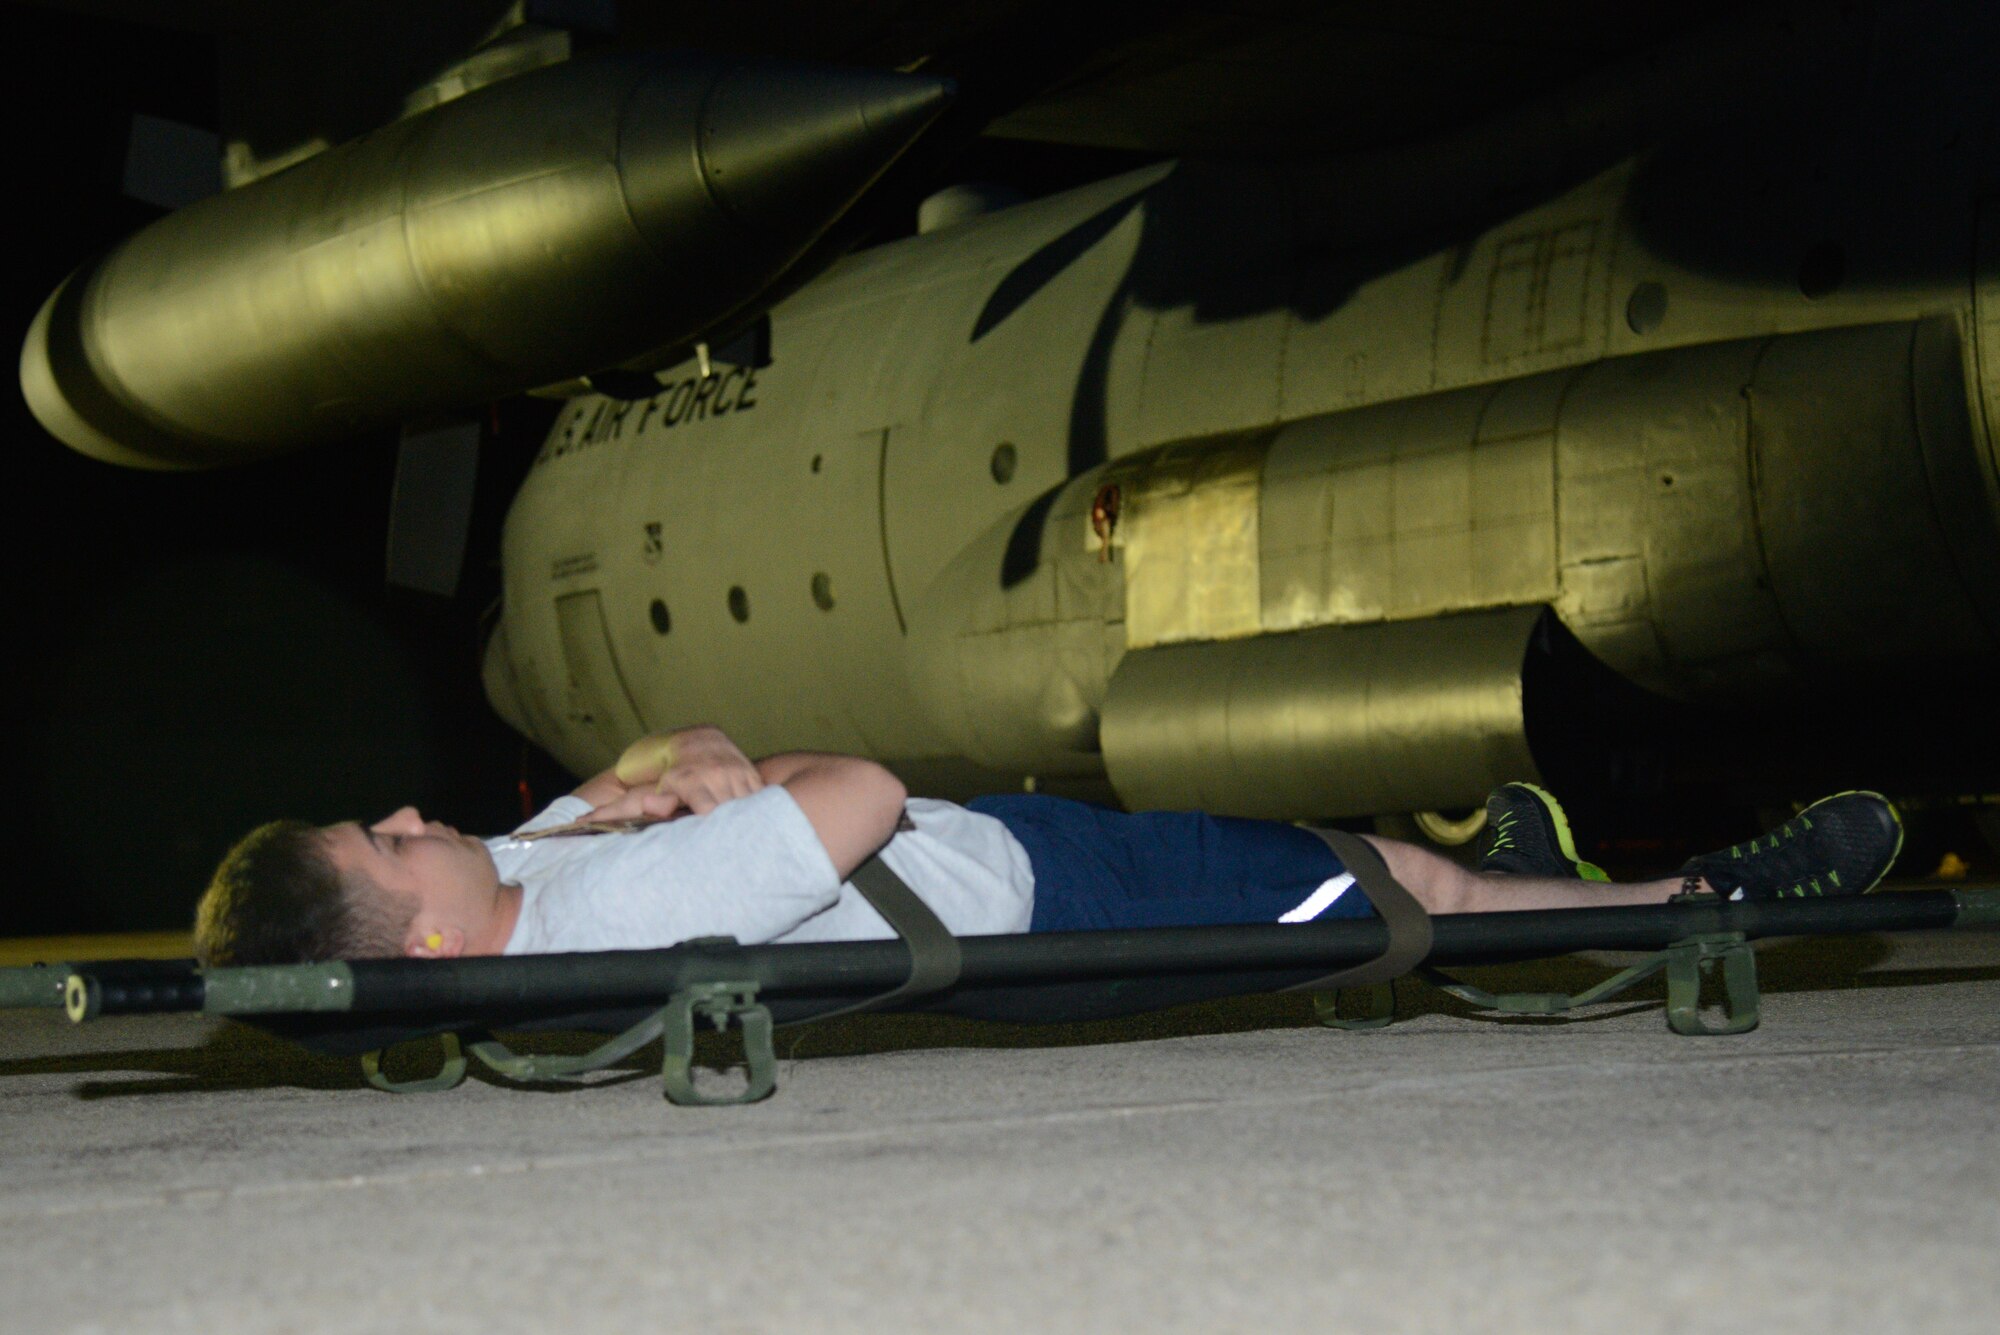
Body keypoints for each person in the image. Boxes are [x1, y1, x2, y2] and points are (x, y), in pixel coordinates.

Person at [192, 725, 1905, 967]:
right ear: (424, 940)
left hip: (1004, 851)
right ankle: (1697, 901)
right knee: (1395, 889)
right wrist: (742, 770)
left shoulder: (518, 886)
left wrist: (677, 762)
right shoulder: (623, 910)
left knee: (1350, 844)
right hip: (1049, 899)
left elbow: (628, 772)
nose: (412, 817)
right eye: (388, 844)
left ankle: (1536, 874)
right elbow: (861, 790)